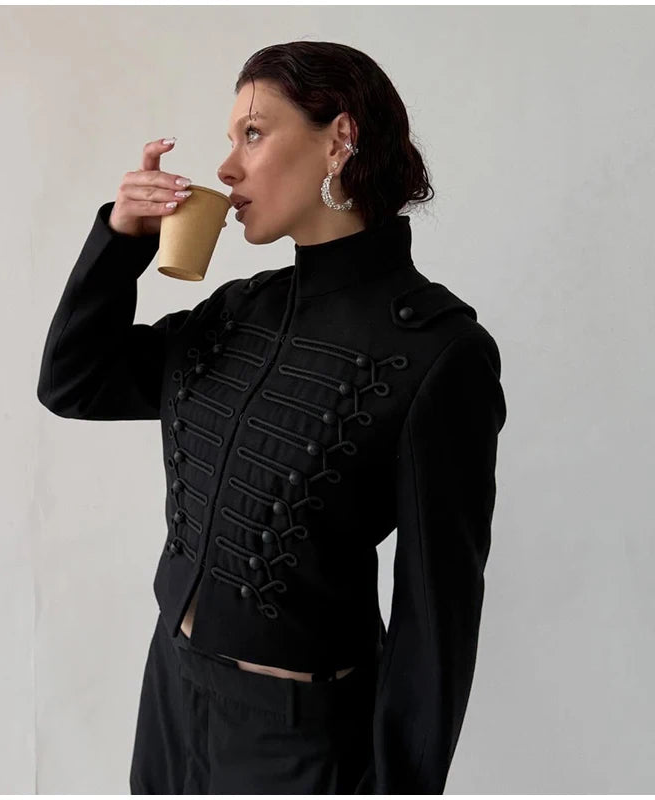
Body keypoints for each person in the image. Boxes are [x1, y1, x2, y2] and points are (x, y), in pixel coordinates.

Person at [37, 40, 507, 795]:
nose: (227, 168)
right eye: (232, 140)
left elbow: (437, 618)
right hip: (170, 701)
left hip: (299, 744)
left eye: (252, 134)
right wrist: (121, 241)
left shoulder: (435, 351)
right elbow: (74, 383)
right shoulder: (236, 314)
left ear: (339, 138)